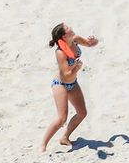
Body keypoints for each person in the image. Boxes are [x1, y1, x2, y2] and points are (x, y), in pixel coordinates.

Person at [40, 23, 99, 153]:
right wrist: (76, 68)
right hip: (60, 84)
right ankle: (43, 144)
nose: (71, 27)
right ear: (64, 36)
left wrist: (94, 41)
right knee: (62, 118)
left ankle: (65, 137)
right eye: (67, 28)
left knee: (82, 113)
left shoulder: (75, 39)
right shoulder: (60, 52)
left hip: (73, 83)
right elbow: (66, 74)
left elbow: (89, 44)